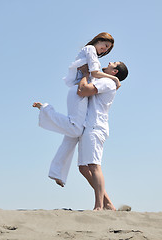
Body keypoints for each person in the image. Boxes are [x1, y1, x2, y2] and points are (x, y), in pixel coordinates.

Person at [33, 61, 128, 210]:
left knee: (94, 166)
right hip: (88, 126)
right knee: (83, 168)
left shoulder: (107, 83)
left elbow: (82, 91)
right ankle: (108, 203)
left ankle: (99, 206)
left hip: (96, 127)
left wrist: (85, 74)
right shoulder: (106, 80)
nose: (109, 62)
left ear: (115, 71)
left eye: (113, 63)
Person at [33, 33, 119, 187]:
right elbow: (93, 73)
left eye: (107, 49)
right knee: (75, 128)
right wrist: (115, 78)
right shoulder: (90, 49)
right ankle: (46, 109)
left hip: (81, 91)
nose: (104, 50)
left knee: (73, 135)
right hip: (78, 92)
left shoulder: (92, 53)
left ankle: (56, 172)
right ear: (99, 40)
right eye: (105, 46)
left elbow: (93, 76)